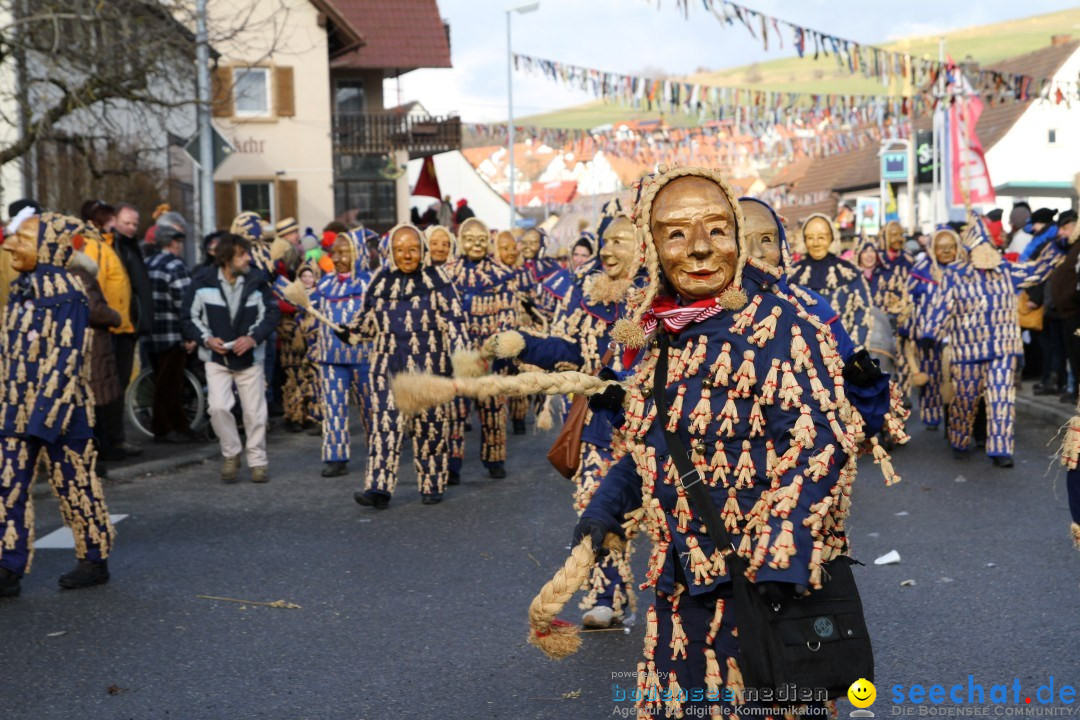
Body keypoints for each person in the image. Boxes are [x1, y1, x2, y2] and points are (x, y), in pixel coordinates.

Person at [575, 167, 855, 716]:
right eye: (676, 233)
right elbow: (662, 442)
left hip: (762, 582)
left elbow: (819, 442)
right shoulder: (661, 329)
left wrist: (781, 553)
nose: (699, 249)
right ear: (652, 247)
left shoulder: (783, 323)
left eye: (716, 230)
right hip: (679, 581)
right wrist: (608, 505)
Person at [487, 209, 644, 628]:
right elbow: (567, 347)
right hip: (595, 426)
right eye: (604, 241)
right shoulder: (586, 289)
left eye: (619, 242)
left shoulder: (666, 296)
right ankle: (606, 599)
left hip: (653, 432)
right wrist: (523, 344)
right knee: (595, 511)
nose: (606, 250)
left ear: (644, 246)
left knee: (666, 522)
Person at [0, 211, 116, 597]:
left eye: (22, 239)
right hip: (14, 407)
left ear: (48, 246)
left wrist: (42, 420)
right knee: (7, 487)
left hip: (62, 411)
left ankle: (94, 559)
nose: (9, 244)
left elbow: (66, 357)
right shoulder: (20, 289)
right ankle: (7, 566)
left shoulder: (69, 293)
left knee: (76, 484)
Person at [336, 223, 469, 509]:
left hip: (429, 368)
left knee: (430, 427)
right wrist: (350, 333)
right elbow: (367, 322)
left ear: (422, 250)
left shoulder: (438, 279)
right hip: (387, 367)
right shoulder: (380, 281)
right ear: (390, 252)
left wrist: (462, 359)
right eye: (399, 250)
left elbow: (456, 323)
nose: (406, 255)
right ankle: (378, 488)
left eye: (412, 249)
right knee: (385, 429)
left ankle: (432, 483)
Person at [920, 215, 1064, 467]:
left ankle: (1000, 450)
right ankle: (960, 439)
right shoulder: (955, 274)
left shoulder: (1007, 271)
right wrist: (929, 333)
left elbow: (1038, 271)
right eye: (979, 247)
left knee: (1001, 399)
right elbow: (940, 306)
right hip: (967, 350)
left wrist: (1058, 247)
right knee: (965, 399)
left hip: (1002, 348)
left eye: (988, 246)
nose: (985, 252)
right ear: (969, 251)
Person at [182, 234, 279, 483]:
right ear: (226, 258)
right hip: (216, 356)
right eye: (241, 254)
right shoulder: (201, 282)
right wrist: (206, 339)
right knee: (218, 407)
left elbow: (270, 314)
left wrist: (253, 338)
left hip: (250, 357)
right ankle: (231, 453)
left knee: (255, 412)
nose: (248, 258)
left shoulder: (258, 281)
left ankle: (258, 461)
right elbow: (188, 317)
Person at [445, 217, 523, 478]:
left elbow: (509, 314)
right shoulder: (447, 273)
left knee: (492, 409)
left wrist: (495, 348)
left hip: (491, 356)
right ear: (460, 242)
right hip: (458, 355)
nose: (476, 245)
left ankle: (494, 461)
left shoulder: (501, 273)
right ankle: (452, 465)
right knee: (455, 412)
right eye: (470, 239)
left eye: (481, 240)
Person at [309, 229, 373, 477]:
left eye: (343, 252)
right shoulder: (325, 283)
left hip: (364, 356)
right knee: (333, 407)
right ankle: (336, 457)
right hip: (330, 358)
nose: (336, 258)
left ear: (358, 254)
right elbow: (308, 305)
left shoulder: (371, 282)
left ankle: (379, 449)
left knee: (371, 407)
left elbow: (379, 316)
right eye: (334, 252)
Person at [77, 223, 137, 464]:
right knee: (98, 398)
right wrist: (116, 316)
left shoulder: (98, 253)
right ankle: (100, 450)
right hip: (98, 339)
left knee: (97, 397)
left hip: (101, 336)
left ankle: (100, 447)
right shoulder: (84, 271)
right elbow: (93, 308)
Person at [789, 213, 875, 349]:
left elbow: (862, 315)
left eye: (822, 237)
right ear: (804, 240)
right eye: (810, 238)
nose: (816, 243)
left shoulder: (849, 272)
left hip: (842, 353)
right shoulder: (792, 274)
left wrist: (852, 351)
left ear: (832, 238)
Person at [145, 220, 196, 442]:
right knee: (171, 385)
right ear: (174, 243)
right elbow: (186, 303)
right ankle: (165, 428)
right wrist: (190, 335)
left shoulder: (147, 263)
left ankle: (178, 425)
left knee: (162, 380)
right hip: (172, 333)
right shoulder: (175, 266)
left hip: (150, 332)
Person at [909, 228, 962, 430]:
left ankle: (955, 415)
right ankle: (931, 416)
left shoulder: (964, 269)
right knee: (930, 375)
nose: (946, 251)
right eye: (941, 247)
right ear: (932, 249)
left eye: (950, 247)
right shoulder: (921, 270)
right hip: (928, 333)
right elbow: (909, 300)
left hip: (958, 334)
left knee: (957, 377)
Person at [1048, 211, 1080, 404]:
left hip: (1076, 310)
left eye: (1065, 228)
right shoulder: (1070, 248)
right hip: (1068, 311)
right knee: (1074, 356)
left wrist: (1071, 298)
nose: (1061, 233)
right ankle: (1076, 389)